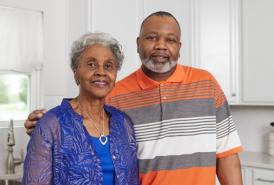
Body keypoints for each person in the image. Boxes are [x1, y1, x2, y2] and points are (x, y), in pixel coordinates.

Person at [24, 11, 243, 185]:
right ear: (138, 43)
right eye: (151, 38)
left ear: (179, 47)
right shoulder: (116, 94)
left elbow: (227, 156)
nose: (160, 45)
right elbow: (83, 113)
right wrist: (46, 125)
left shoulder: (206, 85)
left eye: (170, 39)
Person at [22, 32, 140, 185]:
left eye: (108, 66)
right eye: (91, 64)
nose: (101, 72)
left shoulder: (123, 123)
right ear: (75, 73)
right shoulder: (51, 125)